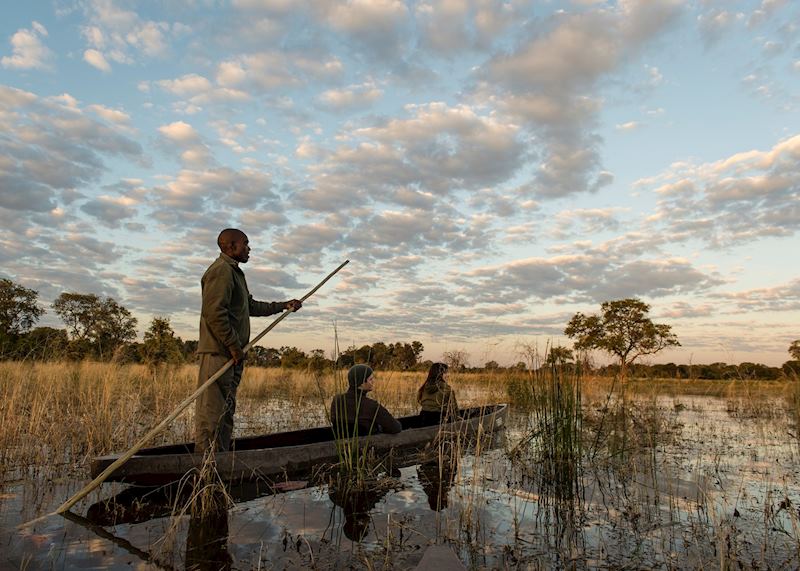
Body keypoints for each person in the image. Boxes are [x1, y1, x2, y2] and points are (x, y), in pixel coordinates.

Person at [195, 228, 302, 454]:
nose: (249, 248)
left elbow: (250, 306)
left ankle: (219, 461)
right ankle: (205, 468)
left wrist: (283, 306)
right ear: (231, 246)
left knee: (226, 412)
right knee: (212, 414)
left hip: (232, 356)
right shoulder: (221, 271)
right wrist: (234, 346)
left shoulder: (235, 273)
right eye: (245, 243)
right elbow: (214, 313)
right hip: (218, 354)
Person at [330, 364, 402, 438]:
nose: (373, 381)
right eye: (370, 379)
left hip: (341, 441)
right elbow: (396, 428)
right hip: (366, 446)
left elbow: (333, 420)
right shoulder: (371, 406)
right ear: (361, 383)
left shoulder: (336, 400)